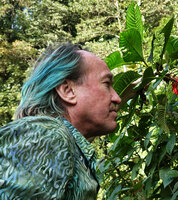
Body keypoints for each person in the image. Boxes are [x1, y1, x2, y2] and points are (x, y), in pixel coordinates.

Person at [0, 43, 122, 199]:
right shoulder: (47, 136)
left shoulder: (62, 143)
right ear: (67, 91)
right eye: (107, 84)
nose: (117, 98)